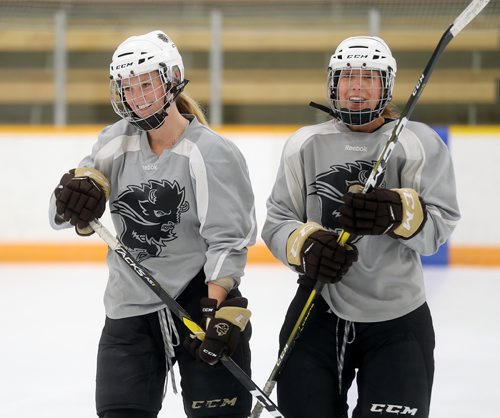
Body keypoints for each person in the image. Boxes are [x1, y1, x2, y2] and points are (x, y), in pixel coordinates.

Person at [48, 30, 256, 418]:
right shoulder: (114, 142)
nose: (138, 97)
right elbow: (66, 210)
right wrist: (76, 200)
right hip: (129, 309)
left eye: (146, 83)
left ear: (172, 79)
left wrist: (215, 311)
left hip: (199, 303)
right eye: (128, 87)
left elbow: (227, 240)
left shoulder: (210, 151)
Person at [262, 36, 460, 418]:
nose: (356, 87)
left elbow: (440, 225)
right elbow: (276, 221)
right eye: (347, 77)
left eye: (368, 78)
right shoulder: (304, 145)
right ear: (332, 84)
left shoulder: (418, 143)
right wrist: (305, 247)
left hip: (398, 318)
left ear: (386, 85)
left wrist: (398, 215)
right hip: (318, 310)